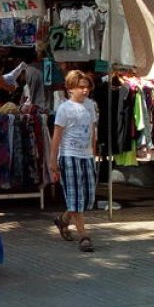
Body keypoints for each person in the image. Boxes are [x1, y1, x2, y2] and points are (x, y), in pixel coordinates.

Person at [49, 70, 98, 253]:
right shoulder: (64, 109)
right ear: (70, 88)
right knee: (75, 196)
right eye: (81, 87)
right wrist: (53, 160)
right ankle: (84, 236)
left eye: (87, 87)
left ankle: (63, 219)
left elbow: (92, 130)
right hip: (69, 155)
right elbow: (57, 135)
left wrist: (93, 153)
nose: (85, 90)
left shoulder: (91, 105)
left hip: (86, 156)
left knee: (86, 197)